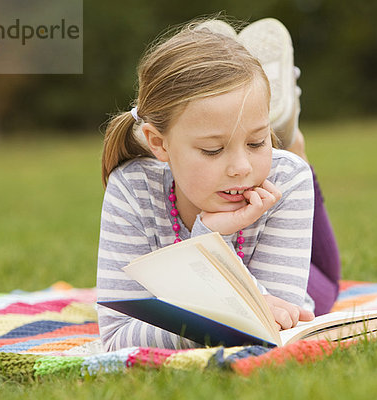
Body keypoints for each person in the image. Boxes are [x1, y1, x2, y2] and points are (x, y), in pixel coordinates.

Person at [97, 18, 341, 350]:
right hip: (253, 274)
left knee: (324, 284)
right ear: (159, 143)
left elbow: (281, 322)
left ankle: (291, 139)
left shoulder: (284, 179)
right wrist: (210, 240)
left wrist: (200, 318)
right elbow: (116, 338)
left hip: (305, 271)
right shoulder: (130, 189)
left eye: (257, 142)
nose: (242, 169)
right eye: (213, 150)